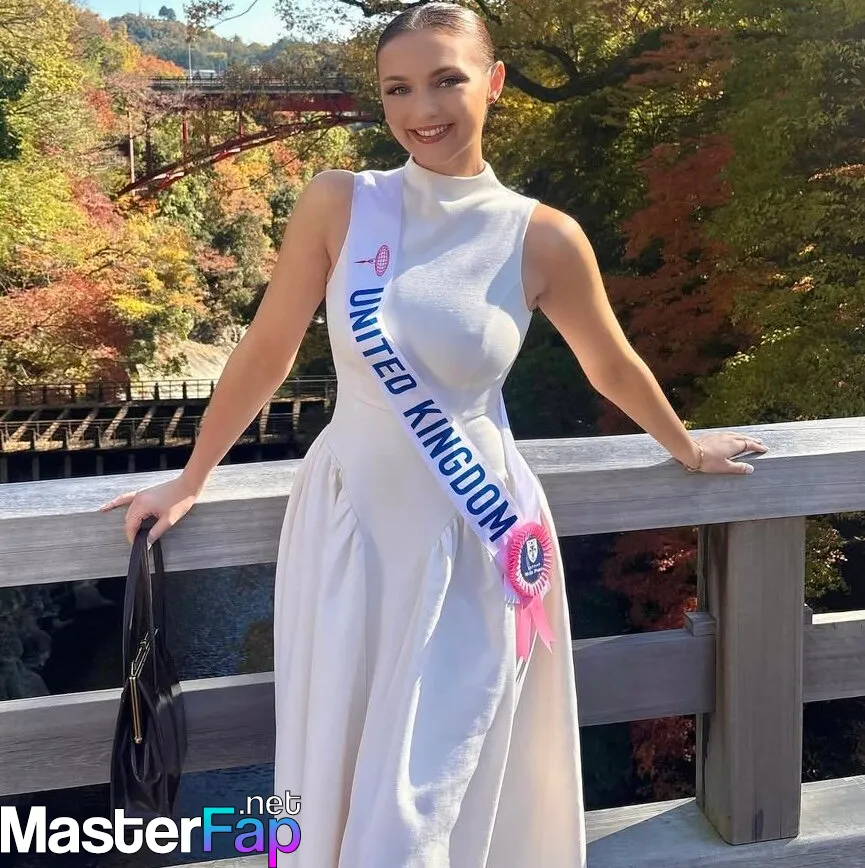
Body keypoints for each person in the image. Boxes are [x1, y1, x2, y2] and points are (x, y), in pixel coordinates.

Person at [100, 3, 768, 866]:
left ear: (493, 82)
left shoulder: (543, 236)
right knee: (340, 762)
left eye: (447, 79)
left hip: (472, 534)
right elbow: (266, 349)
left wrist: (685, 447)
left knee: (424, 798)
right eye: (398, 88)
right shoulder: (341, 203)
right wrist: (191, 477)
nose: (422, 109)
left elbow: (609, 363)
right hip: (349, 527)